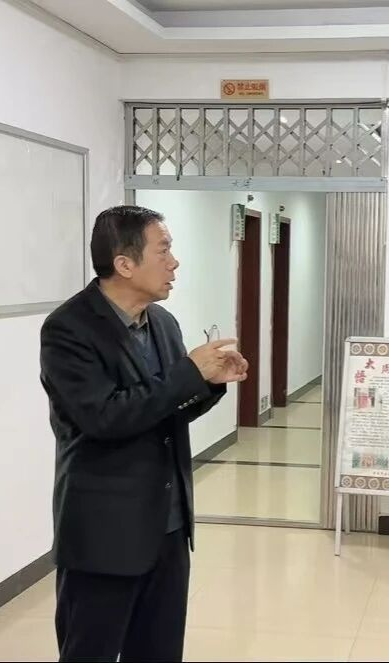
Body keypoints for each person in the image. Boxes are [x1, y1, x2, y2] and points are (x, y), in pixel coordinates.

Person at [40, 205, 249, 661]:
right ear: (124, 263)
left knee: (159, 652)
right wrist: (188, 373)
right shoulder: (68, 329)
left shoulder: (163, 324)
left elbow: (164, 410)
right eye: (164, 250)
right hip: (104, 534)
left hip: (168, 527)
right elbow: (105, 417)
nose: (174, 262)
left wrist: (209, 384)